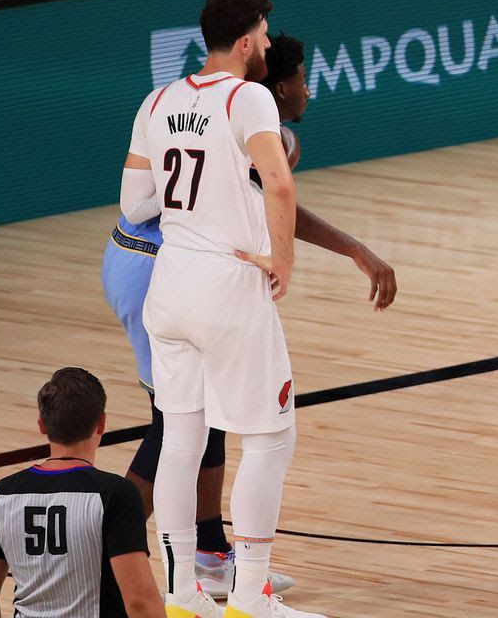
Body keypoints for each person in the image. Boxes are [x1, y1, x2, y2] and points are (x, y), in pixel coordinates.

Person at [100, 34, 394, 601]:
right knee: (181, 425)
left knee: (194, 420)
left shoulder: (195, 106)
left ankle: (204, 558)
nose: (309, 88)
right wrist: (352, 249)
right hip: (163, 263)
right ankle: (106, 548)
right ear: (277, 86)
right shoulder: (255, 125)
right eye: (303, 79)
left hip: (138, 258)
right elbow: (275, 197)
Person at [120, 0, 323, 618]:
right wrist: (282, 259)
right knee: (269, 439)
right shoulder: (249, 96)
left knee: (180, 438)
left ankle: (181, 595)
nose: (268, 44)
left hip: (170, 287)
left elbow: (134, 205)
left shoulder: (158, 99)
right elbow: (280, 183)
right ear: (243, 42)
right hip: (228, 286)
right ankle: (250, 597)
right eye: (264, 35)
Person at [0, 368, 165, 618]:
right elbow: (140, 602)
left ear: (42, 425)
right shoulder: (115, 494)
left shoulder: (1, 494)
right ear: (101, 423)